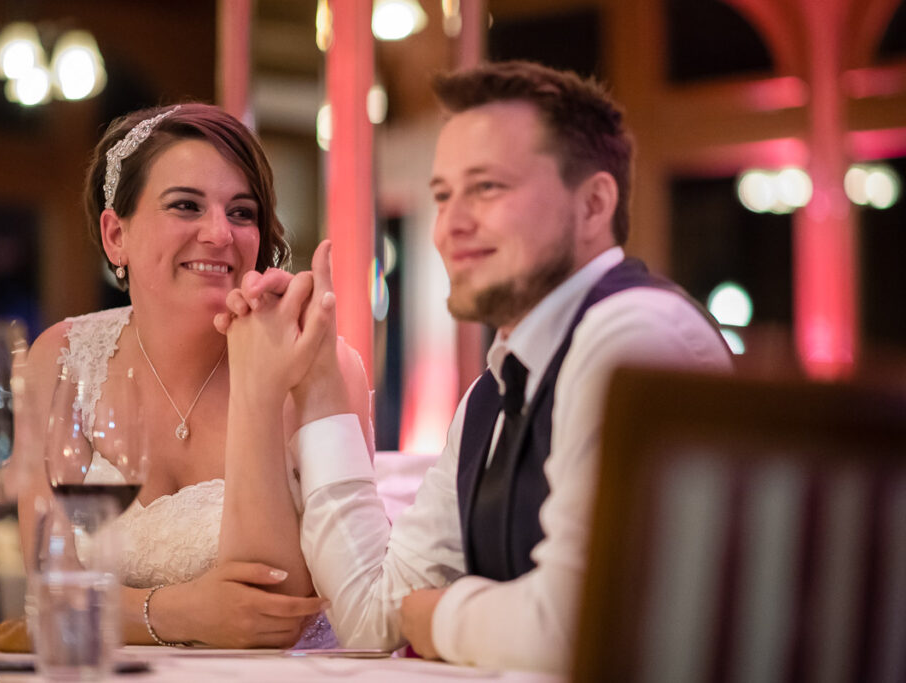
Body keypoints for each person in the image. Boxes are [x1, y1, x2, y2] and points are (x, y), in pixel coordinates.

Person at [217, 60, 733, 672]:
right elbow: (372, 613)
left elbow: (573, 627)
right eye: (443, 195)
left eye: (487, 188)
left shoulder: (635, 337)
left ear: (594, 204)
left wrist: (433, 616)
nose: (450, 227)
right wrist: (320, 383)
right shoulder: (494, 394)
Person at [12, 102, 372, 649]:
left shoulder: (317, 364)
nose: (219, 233)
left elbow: (276, 613)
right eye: (186, 205)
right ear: (116, 236)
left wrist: (258, 382)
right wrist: (178, 612)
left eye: (242, 212)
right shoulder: (61, 362)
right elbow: (51, 593)